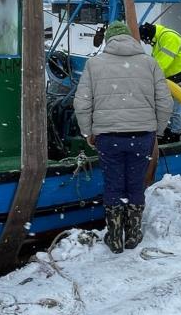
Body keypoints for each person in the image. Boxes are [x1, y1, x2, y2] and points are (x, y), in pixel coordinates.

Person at [74, 20, 173, 253]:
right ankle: (133, 235)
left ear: (108, 39)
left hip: (108, 136)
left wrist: (88, 131)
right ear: (130, 38)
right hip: (142, 135)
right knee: (135, 183)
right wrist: (157, 130)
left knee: (114, 184)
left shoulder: (94, 64)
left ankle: (115, 236)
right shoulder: (150, 63)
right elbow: (165, 102)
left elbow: (81, 103)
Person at [137, 22, 181, 143]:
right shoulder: (160, 39)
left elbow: (161, 66)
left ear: (148, 36)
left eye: (145, 41)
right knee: (169, 107)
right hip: (176, 79)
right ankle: (169, 131)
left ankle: (175, 135)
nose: (146, 43)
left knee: (176, 109)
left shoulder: (169, 37)